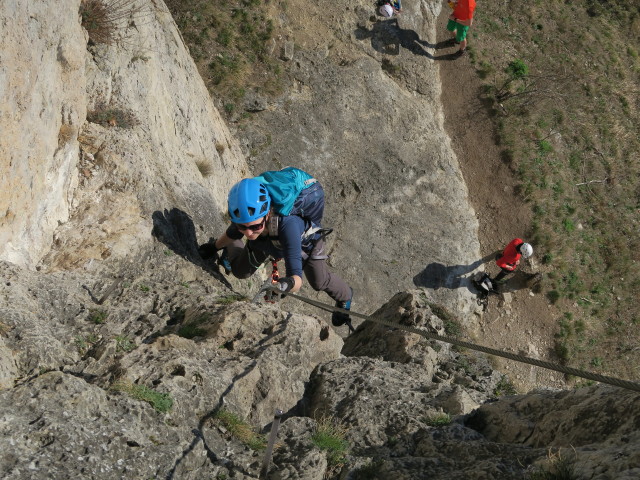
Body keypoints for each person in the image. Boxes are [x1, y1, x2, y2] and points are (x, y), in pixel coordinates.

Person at [202, 170, 354, 328]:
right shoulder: (248, 215)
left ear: (267, 213)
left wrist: (284, 285)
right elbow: (233, 233)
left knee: (319, 281)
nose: (248, 233)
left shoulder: (288, 226)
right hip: (268, 240)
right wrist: (213, 247)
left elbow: (296, 278)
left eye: (255, 226)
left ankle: (345, 296)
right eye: (243, 226)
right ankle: (233, 250)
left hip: (305, 243)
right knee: (241, 272)